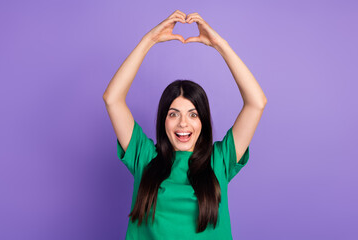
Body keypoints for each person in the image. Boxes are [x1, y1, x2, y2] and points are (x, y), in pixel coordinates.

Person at [103, 10, 267, 240]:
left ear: (203, 121)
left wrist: (220, 45)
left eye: (193, 114)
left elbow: (256, 103)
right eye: (173, 114)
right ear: (163, 120)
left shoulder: (220, 160)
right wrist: (148, 40)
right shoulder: (145, 157)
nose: (183, 123)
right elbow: (112, 99)